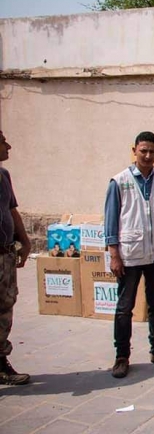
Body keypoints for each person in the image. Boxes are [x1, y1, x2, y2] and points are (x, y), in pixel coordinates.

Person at [105, 131, 154, 378]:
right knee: (125, 307)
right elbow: (111, 220)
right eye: (143, 151)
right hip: (130, 254)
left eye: (152, 151)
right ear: (134, 150)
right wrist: (114, 255)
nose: (147, 156)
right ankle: (122, 356)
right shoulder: (119, 181)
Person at [0, 131, 31, 386]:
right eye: (2, 141)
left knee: (5, 307)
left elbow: (12, 210)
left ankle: (1, 363)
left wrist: (25, 241)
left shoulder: (4, 176)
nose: (8, 146)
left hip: (5, 254)